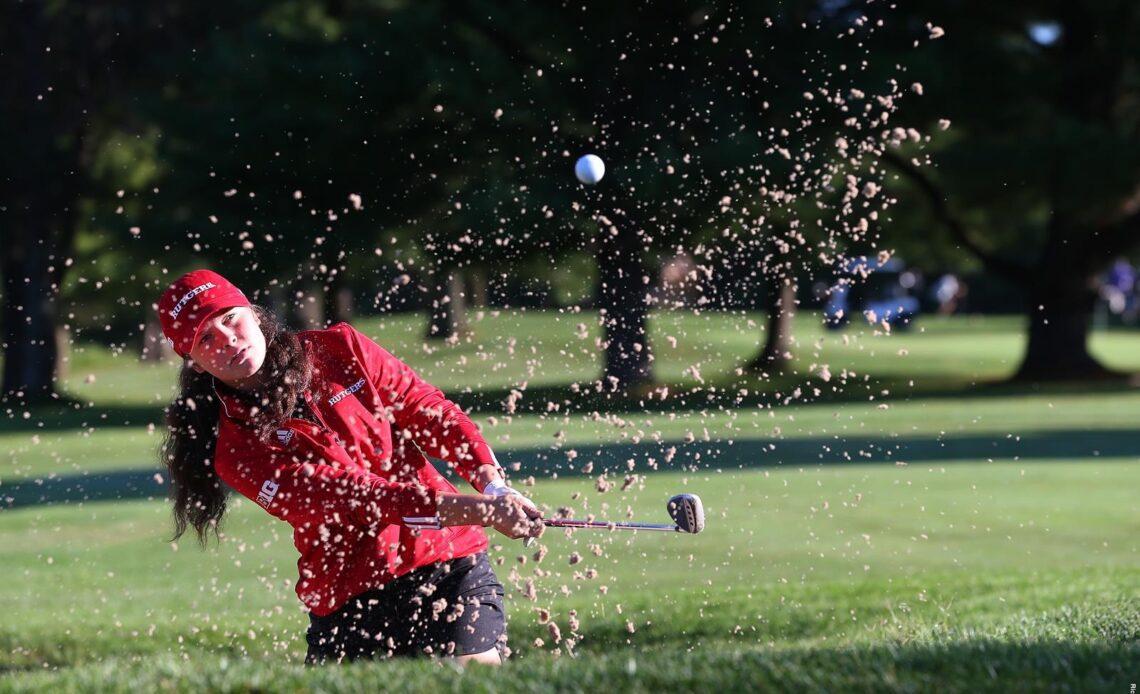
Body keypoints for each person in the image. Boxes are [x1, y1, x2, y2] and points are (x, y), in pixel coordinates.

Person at [157, 269, 543, 665]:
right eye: (206, 338)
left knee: (473, 675)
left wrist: (493, 486)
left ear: (253, 312)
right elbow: (359, 495)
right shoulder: (236, 453)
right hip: (348, 597)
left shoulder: (341, 347)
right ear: (195, 364)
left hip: (447, 565)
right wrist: (482, 511)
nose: (228, 338)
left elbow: (428, 412)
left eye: (229, 318)